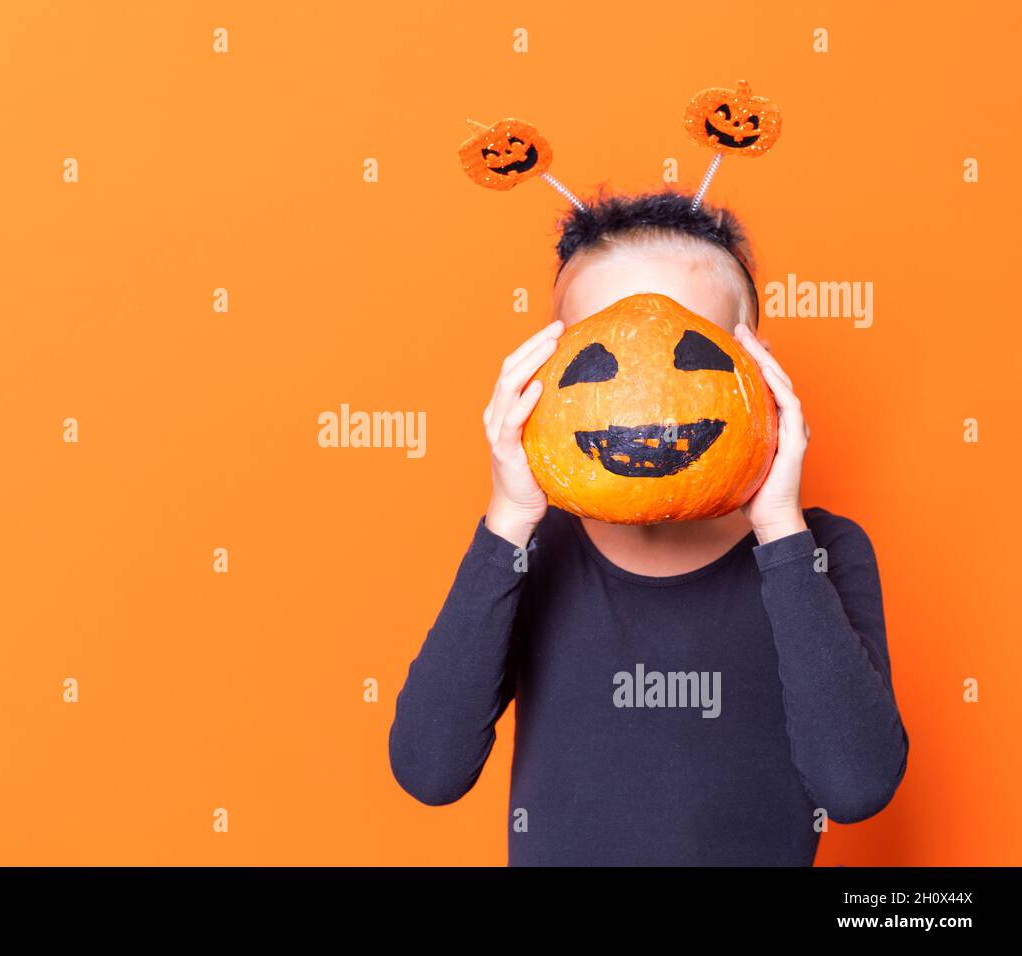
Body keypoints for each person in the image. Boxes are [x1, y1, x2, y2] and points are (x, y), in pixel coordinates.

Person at [388, 191, 909, 866]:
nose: (647, 397)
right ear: (541, 378)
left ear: (758, 372)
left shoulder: (821, 552)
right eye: (601, 358)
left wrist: (780, 529)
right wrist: (510, 519)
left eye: (690, 352)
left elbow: (857, 786)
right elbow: (431, 769)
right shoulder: (532, 552)